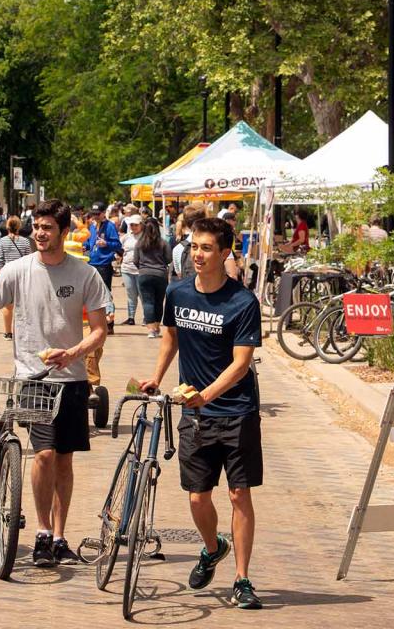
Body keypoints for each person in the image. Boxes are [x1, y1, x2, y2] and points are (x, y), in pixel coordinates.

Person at [0, 199, 110, 568]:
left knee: (65, 461)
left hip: (72, 379)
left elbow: (100, 332)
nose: (40, 232)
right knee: (44, 454)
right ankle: (40, 530)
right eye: (37, 226)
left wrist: (73, 353)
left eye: (48, 227)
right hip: (32, 379)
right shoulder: (16, 271)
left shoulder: (85, 275)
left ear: (63, 231)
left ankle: (59, 535)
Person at [141, 217, 264, 610]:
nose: (197, 254)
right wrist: (155, 378)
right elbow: (171, 338)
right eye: (194, 246)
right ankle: (212, 549)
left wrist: (206, 395)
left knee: (239, 493)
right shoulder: (177, 294)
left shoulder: (242, 302)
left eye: (206, 248)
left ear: (225, 252)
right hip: (195, 416)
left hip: (236, 410)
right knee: (198, 499)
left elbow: (241, 364)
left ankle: (243, 579)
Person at [0, 215, 35, 340]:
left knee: (7, 306)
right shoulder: (26, 241)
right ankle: (22, 332)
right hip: (23, 276)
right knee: (23, 306)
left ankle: (8, 332)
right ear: (19, 226)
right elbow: (29, 259)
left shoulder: (2, 241)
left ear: (7, 227)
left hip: (7, 276)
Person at [82, 202, 122, 334]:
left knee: (105, 294)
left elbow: (117, 244)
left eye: (97, 214)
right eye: (93, 214)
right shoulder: (92, 226)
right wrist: (85, 246)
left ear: (103, 213)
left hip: (104, 264)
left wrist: (106, 243)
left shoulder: (109, 226)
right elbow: (89, 242)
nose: (95, 216)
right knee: (92, 294)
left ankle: (110, 323)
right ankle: (98, 322)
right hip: (92, 262)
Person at [134, 217, 170, 339]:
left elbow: (135, 260)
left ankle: (151, 330)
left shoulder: (140, 243)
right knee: (159, 302)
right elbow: (168, 259)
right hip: (160, 274)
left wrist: (142, 267)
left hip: (144, 274)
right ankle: (156, 326)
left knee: (148, 302)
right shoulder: (163, 242)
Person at [171, 203, 206, 281]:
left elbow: (180, 275)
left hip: (188, 290)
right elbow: (232, 274)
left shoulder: (178, 249)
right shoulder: (217, 243)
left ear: (186, 222)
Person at [120, 215, 143, 326]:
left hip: (140, 270)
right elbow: (120, 250)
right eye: (131, 225)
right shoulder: (126, 237)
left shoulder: (145, 237)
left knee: (142, 294)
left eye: (136, 225)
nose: (133, 227)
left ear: (141, 225)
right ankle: (131, 317)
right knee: (131, 294)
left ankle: (146, 318)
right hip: (126, 269)